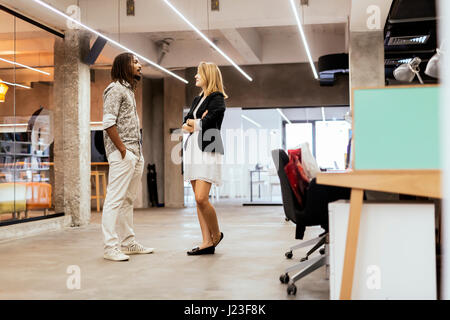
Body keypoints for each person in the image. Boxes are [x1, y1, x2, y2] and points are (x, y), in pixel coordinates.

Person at [101, 52, 154, 261]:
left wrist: (134, 153)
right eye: (135, 62)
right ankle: (109, 247)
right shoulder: (115, 89)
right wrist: (123, 150)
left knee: (128, 200)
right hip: (123, 154)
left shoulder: (129, 90)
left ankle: (128, 243)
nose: (139, 65)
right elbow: (108, 122)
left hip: (135, 152)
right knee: (115, 199)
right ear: (124, 65)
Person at [182, 61, 227, 255]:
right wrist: (196, 122)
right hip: (193, 149)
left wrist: (196, 122)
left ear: (208, 75)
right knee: (197, 199)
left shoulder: (217, 98)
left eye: (199, 73)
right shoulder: (197, 99)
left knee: (201, 198)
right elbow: (185, 123)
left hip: (208, 148)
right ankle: (206, 241)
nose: (195, 76)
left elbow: (209, 123)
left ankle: (216, 235)